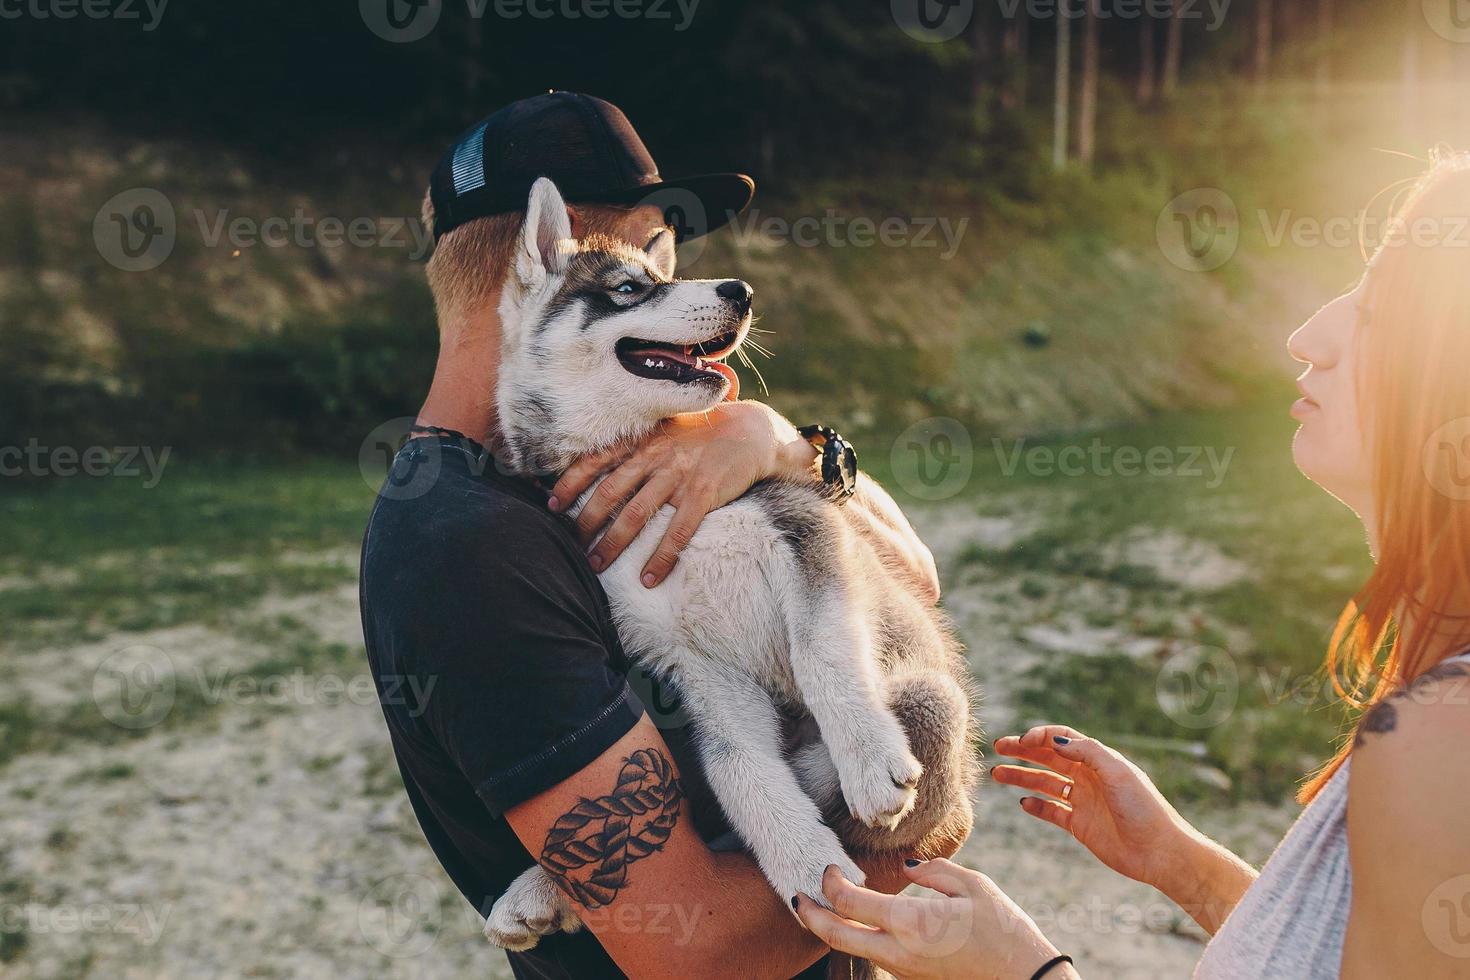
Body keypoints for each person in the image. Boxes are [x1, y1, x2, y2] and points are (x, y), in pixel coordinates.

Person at [795, 153, 1470, 979]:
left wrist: (1023, 971)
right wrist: (1182, 866)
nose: (1308, 337)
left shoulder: (1441, 739)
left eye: (1375, 311)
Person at [360, 91, 955, 980]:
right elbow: (701, 949)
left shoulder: (659, 450)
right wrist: (911, 840)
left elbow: (917, 574)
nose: (691, 295)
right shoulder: (466, 544)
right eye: (655, 259)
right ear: (550, 262)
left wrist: (781, 443)